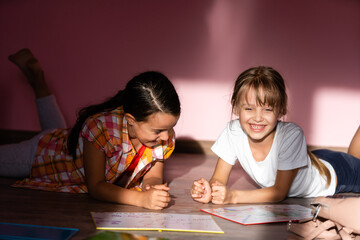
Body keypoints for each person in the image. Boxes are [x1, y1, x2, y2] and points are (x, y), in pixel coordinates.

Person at [1, 48, 181, 210]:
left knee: (58, 132)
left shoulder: (162, 135)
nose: (166, 137)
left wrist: (151, 187)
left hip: (66, 140)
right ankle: (36, 78)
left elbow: (153, 176)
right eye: (158, 131)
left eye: (170, 128)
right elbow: (96, 187)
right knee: (50, 138)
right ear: (131, 120)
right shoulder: (99, 127)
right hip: (45, 154)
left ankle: (37, 78)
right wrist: (140, 199)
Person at [191, 66, 360, 204]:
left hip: (338, 174)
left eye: (267, 109)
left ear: (281, 110)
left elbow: (279, 192)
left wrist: (233, 196)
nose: (257, 118)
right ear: (236, 107)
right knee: (354, 157)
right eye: (249, 108)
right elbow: (219, 179)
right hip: (314, 161)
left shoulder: (292, 134)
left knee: (354, 161)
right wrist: (210, 190)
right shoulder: (233, 131)